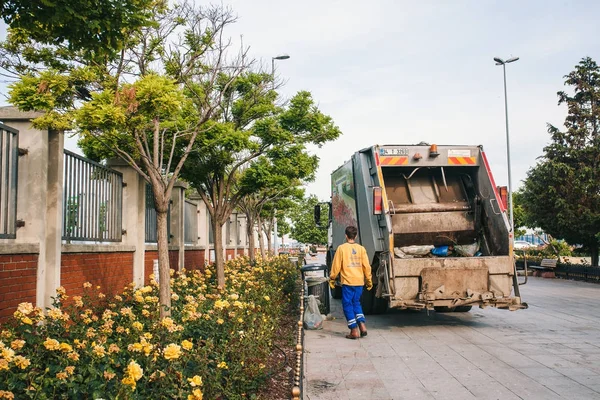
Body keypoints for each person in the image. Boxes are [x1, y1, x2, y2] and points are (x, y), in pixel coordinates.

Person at [329, 226, 373, 340]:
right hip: (359, 281)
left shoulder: (341, 248)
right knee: (356, 303)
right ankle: (362, 326)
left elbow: (336, 266)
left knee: (347, 304)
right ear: (356, 236)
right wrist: (369, 281)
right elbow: (366, 267)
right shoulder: (361, 249)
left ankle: (354, 330)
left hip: (348, 282)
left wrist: (332, 279)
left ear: (346, 235)